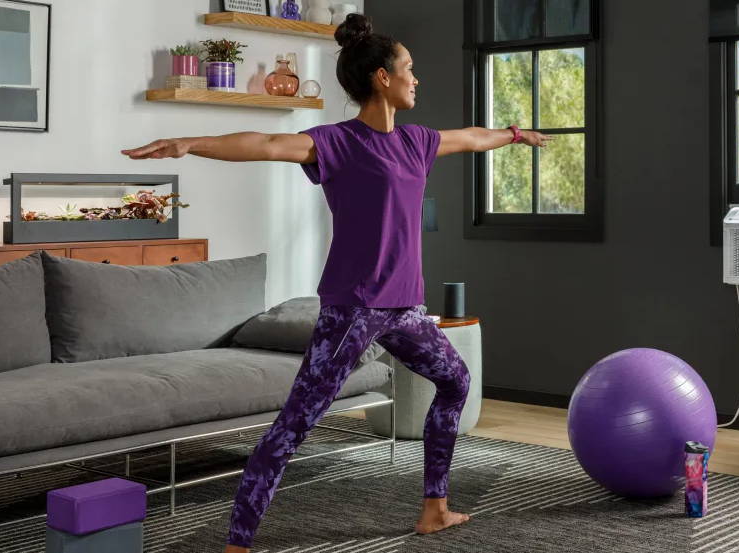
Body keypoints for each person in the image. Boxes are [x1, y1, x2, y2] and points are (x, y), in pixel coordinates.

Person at [121, 13, 553, 553]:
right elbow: (265, 142)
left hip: (403, 309)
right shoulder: (338, 143)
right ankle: (237, 543)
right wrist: (189, 143)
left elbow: (468, 138)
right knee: (296, 424)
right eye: (409, 69)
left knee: (456, 381)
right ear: (381, 77)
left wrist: (514, 135)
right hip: (354, 308)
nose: (416, 79)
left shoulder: (417, 141)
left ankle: (435, 510)